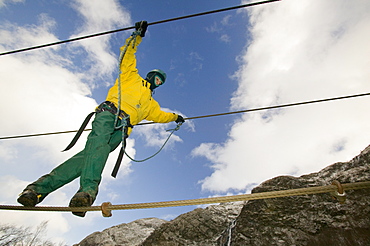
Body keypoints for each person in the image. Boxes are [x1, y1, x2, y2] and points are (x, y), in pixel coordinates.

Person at [17, 21, 185, 217]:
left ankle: (36, 191)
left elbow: (160, 116)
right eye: (156, 77)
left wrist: (176, 117)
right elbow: (127, 56)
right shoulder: (131, 77)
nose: (157, 81)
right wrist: (136, 37)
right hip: (109, 114)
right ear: (150, 75)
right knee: (97, 149)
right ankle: (86, 193)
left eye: (160, 81)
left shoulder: (151, 105)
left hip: (121, 131)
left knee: (86, 159)